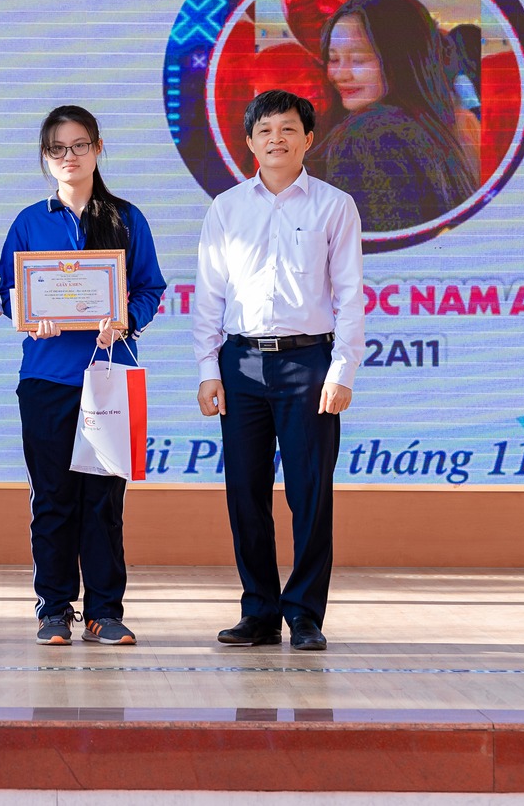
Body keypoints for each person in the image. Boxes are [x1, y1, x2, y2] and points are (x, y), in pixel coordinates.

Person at [194, 88, 363, 653]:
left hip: (308, 363)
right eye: (265, 130)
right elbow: (209, 295)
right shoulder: (226, 209)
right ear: (249, 141)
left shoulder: (334, 206)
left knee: (310, 493)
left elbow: (350, 295)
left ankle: (306, 614)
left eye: (288, 129)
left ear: (308, 139)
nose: (276, 139)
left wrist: (342, 370)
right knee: (245, 492)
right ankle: (260, 612)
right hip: (240, 362)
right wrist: (207, 368)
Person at [0, 105, 166, 646]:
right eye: (57, 148)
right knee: (51, 499)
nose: (68, 156)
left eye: (78, 145)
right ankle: (53, 609)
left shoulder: (126, 218)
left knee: (104, 502)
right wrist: (31, 316)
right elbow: (9, 291)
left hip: (109, 377)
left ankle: (104, 611)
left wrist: (126, 319)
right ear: (45, 158)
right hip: (46, 379)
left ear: (98, 147)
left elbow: (150, 288)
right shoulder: (29, 221)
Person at [311, 0, 479, 232]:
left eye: (358, 59)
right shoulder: (425, 127)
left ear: (400, 60)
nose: (339, 74)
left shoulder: (369, 135)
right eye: (333, 59)